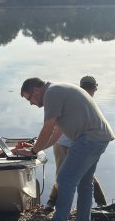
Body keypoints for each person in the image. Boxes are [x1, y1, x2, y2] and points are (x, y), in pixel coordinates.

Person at [13, 77, 114, 221]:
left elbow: (48, 127)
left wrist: (33, 151)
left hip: (88, 138)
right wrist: (37, 147)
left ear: (36, 90)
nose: (31, 103)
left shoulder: (52, 93)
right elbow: (57, 132)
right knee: (84, 183)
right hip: (99, 137)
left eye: (29, 98)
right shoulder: (59, 90)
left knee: (65, 180)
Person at [45, 76, 107, 212]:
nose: (90, 90)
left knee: (87, 176)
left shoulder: (90, 104)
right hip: (62, 143)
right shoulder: (77, 99)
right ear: (82, 87)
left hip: (80, 145)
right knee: (61, 175)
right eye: (87, 87)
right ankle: (52, 203)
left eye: (91, 88)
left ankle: (102, 204)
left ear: (95, 88)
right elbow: (57, 123)